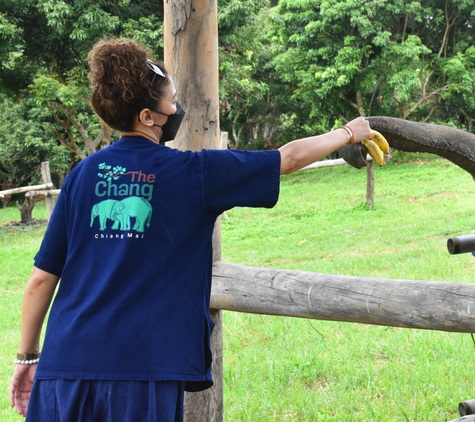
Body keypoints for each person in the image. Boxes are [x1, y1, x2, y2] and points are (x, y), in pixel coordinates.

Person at [8, 38, 380, 420]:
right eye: (171, 101)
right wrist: (350, 132)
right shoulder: (196, 174)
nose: (176, 109)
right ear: (147, 116)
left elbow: (41, 279)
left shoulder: (81, 177)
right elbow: (286, 158)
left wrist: (26, 357)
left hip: (65, 367)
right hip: (144, 370)